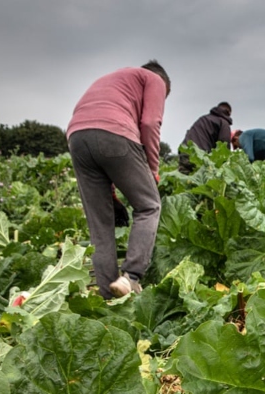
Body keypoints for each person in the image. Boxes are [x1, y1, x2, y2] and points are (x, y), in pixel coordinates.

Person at [66, 60, 171, 299]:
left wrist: (111, 191)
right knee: (149, 206)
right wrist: (152, 169)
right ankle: (131, 277)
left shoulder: (112, 79)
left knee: (100, 228)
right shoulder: (154, 79)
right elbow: (150, 123)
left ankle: (107, 299)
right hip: (115, 132)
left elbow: (95, 132)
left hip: (77, 138)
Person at [178, 102, 233, 174]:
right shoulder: (223, 122)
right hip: (200, 156)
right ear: (228, 113)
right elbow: (224, 147)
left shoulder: (204, 118)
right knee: (200, 182)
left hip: (185, 152)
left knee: (183, 180)